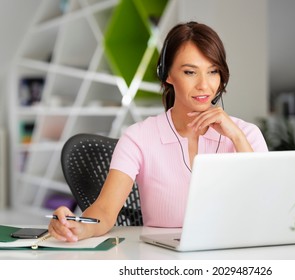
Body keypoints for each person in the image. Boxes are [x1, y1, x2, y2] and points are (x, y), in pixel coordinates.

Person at [48, 21, 268, 242]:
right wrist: (77, 227)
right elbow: (105, 212)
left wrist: (237, 137)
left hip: (234, 255)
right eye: (190, 72)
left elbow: (268, 206)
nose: (204, 85)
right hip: (161, 259)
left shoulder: (247, 135)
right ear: (167, 75)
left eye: (212, 72)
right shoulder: (138, 138)